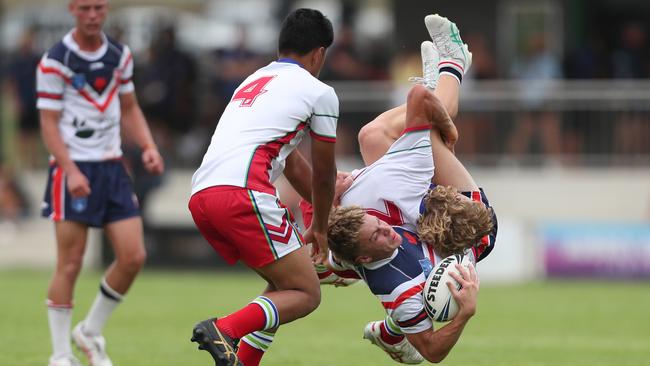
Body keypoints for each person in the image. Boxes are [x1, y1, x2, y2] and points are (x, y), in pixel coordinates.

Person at [318, 15, 497, 364]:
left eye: (378, 226)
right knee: (428, 130)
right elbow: (431, 351)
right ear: (365, 257)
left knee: (371, 138)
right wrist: (464, 313)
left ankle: (391, 334)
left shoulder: (354, 212)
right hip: (469, 229)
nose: (387, 231)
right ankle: (452, 64)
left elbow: (328, 257)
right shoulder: (397, 287)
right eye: (380, 235)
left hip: (411, 211)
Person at [188, 8, 338, 366]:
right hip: (243, 194)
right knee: (306, 293)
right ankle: (223, 329)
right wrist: (320, 226)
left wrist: (317, 212)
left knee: (286, 283)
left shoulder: (253, 80)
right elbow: (323, 172)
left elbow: (292, 162)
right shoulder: (319, 92)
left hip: (202, 195)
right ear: (319, 53)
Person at [36, 1, 164, 365]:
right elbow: (48, 123)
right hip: (72, 168)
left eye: (99, 7)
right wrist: (70, 170)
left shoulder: (119, 55)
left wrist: (148, 146)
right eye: (85, 8)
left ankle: (89, 332)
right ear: (72, 10)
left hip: (112, 168)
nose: (93, 15)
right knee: (71, 263)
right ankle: (60, 355)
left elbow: (129, 107)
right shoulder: (55, 60)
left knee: (133, 256)